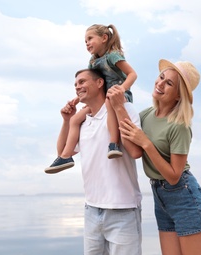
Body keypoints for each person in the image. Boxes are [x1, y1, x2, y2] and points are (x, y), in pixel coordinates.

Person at [115, 59, 201, 255]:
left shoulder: (179, 126)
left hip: (185, 198)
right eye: (161, 77)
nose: (160, 84)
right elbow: (135, 152)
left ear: (179, 95)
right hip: (160, 197)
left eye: (169, 83)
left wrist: (146, 143)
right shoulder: (146, 115)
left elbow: (174, 176)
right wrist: (119, 109)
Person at [49, 68, 142, 255]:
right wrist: (67, 121)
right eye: (75, 84)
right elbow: (62, 153)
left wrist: (118, 107)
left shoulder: (125, 109)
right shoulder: (82, 120)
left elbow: (135, 152)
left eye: (82, 82)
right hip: (91, 209)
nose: (77, 87)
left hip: (122, 209)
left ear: (100, 83)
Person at [44, 24, 137, 174]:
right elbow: (91, 82)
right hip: (104, 98)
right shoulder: (93, 62)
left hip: (118, 95)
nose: (87, 43)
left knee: (109, 101)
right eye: (85, 41)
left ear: (104, 38)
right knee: (75, 120)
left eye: (90, 39)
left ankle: (113, 144)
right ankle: (66, 156)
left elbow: (132, 74)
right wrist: (77, 99)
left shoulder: (113, 55)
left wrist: (121, 89)